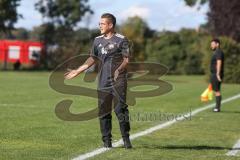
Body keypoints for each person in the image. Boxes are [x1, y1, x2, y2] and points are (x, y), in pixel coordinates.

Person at [65, 13, 132, 149]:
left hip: (118, 82)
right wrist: (78, 71)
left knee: (121, 110)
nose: (100, 26)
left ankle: (126, 139)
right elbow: (92, 58)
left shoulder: (122, 40)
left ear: (110, 25)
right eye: (99, 23)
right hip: (103, 82)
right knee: (103, 111)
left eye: (102, 23)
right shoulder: (97, 41)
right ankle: (107, 142)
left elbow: (126, 60)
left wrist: (119, 70)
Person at [210, 38, 224, 112]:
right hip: (214, 74)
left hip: (216, 74)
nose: (211, 46)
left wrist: (218, 74)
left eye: (212, 44)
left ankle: (217, 108)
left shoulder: (218, 52)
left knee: (217, 90)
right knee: (215, 90)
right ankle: (217, 107)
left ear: (217, 44)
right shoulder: (216, 52)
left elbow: (219, 62)